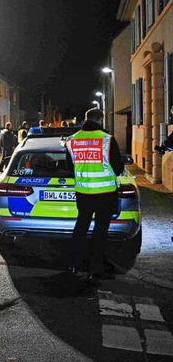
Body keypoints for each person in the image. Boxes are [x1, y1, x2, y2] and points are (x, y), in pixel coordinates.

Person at [65, 108, 124, 282]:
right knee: (100, 230)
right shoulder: (107, 139)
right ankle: (96, 268)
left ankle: (75, 263)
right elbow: (118, 168)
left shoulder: (72, 140)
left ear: (86, 119)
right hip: (105, 193)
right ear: (100, 120)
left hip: (83, 192)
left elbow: (71, 168)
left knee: (81, 226)